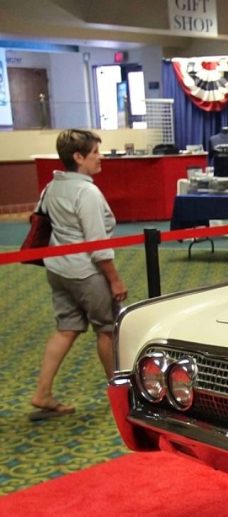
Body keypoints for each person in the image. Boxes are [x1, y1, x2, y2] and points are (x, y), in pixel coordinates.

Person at [30, 129, 128, 420]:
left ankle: (42, 393)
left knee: (66, 329)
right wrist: (114, 279)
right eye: (95, 152)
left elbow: (38, 219)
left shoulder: (52, 186)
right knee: (107, 330)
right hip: (86, 272)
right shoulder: (87, 192)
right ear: (78, 157)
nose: (101, 158)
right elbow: (97, 244)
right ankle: (121, 396)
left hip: (58, 269)